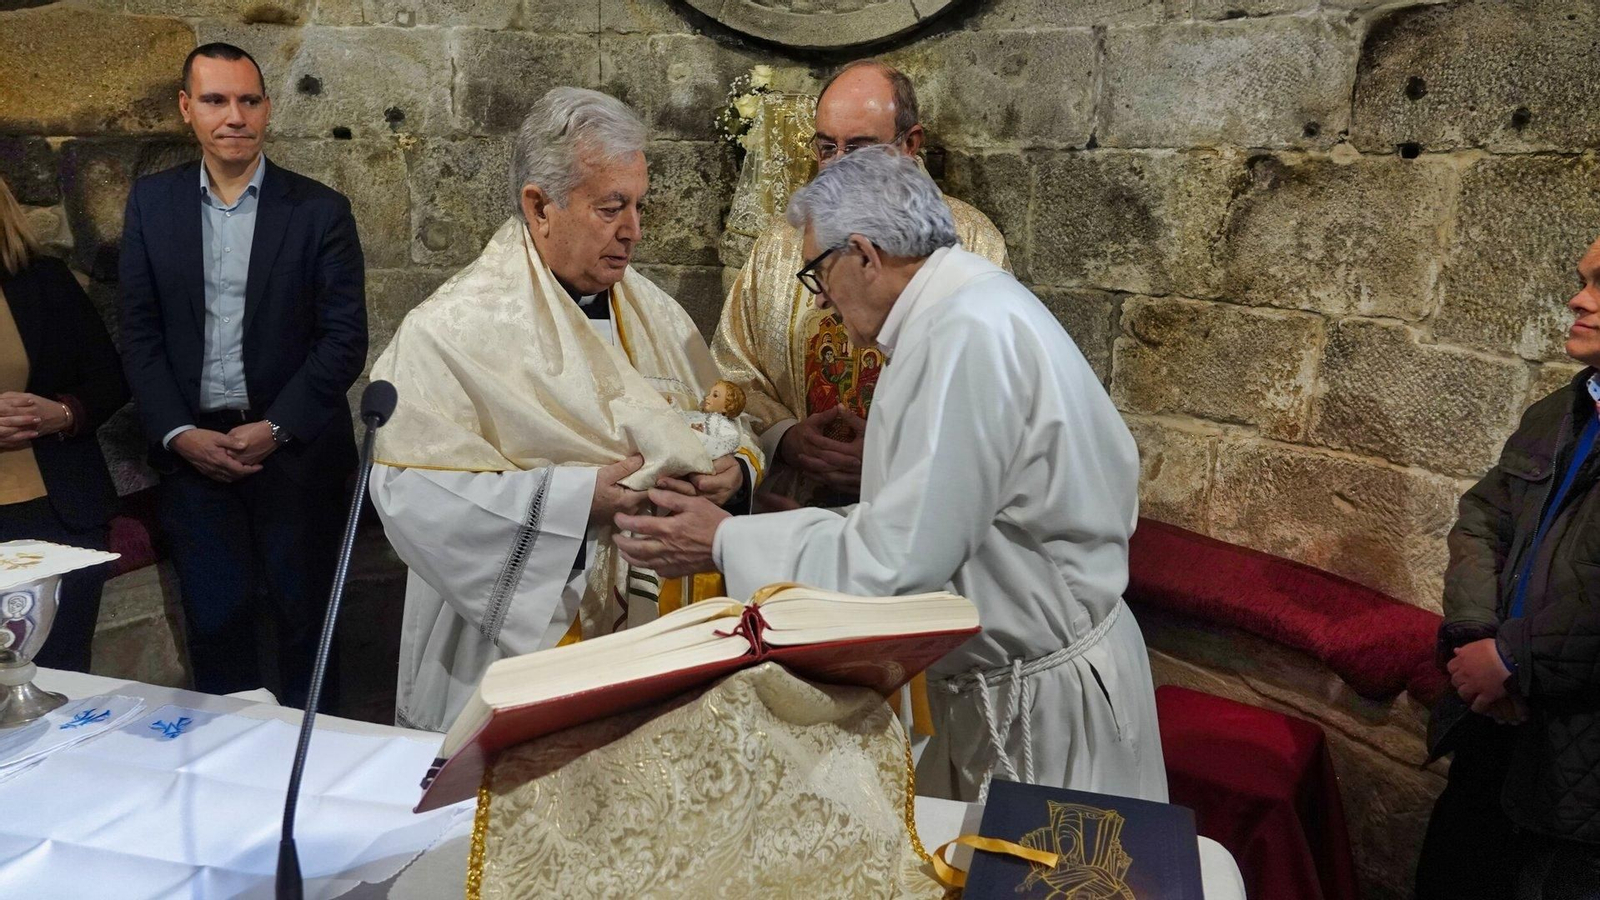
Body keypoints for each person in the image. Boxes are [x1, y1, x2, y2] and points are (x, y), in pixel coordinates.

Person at [616, 148, 1167, 804]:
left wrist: (723, 542)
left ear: (864, 255)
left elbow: (898, 563)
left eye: (819, 272)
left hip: (1040, 709)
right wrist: (810, 526)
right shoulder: (972, 308)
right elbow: (945, 523)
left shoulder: (962, 336)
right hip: (1026, 678)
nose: (820, 298)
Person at [368, 87, 762, 733]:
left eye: (637, 205)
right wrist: (579, 500)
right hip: (526, 641)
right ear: (539, 205)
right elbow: (409, 494)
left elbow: (723, 422)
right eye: (611, 207)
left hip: (663, 630)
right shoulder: (450, 330)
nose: (633, 229)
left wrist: (737, 472)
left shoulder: (657, 313)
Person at [118, 43, 367, 708]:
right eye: (216, 100)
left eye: (248, 100)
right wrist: (176, 432)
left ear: (266, 108)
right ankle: (231, 782)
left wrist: (277, 427)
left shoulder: (318, 211)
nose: (234, 116)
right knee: (217, 630)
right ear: (186, 109)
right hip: (194, 462)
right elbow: (138, 333)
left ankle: (317, 781)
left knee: (307, 631)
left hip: (296, 459)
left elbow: (343, 340)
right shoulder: (151, 205)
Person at [711, 59, 1010, 508]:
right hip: (795, 499)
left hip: (914, 505)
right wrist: (785, 438)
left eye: (860, 148)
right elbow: (731, 373)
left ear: (910, 144)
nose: (838, 166)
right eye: (827, 147)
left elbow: (986, 403)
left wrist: (891, 456)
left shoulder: (969, 241)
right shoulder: (780, 244)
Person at [1416, 235, 1600, 900]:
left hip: (1576, 768)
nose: (1578, 301)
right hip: (1493, 722)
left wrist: (1514, 656)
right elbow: (1481, 518)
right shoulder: (1559, 412)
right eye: (1582, 281)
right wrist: (1473, 636)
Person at [0, 176, 128, 673]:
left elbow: (109, 380)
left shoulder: (44, 280)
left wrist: (66, 413)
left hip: (58, 512)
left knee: (62, 677)